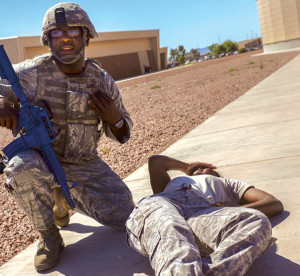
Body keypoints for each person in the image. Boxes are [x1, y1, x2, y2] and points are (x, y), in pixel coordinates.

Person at [0, 2, 135, 272]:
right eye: (56, 34)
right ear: (48, 40)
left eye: (72, 32)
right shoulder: (31, 73)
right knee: (19, 168)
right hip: (39, 160)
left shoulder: (101, 80)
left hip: (85, 163)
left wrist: (113, 117)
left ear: (86, 36)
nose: (65, 39)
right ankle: (49, 236)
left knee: (126, 214)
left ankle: (60, 200)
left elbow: (124, 131)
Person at [126, 155, 284, 276]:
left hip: (203, 215)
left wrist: (234, 208)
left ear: (216, 174)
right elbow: (156, 162)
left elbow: (273, 203)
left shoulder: (227, 184)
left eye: (204, 168)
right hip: (164, 205)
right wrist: (186, 166)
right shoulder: (168, 187)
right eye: (197, 168)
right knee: (170, 226)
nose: (199, 170)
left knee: (256, 220)